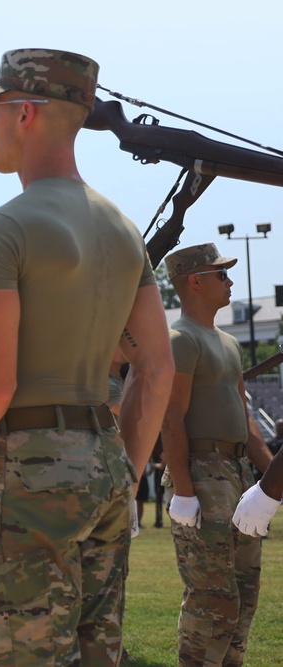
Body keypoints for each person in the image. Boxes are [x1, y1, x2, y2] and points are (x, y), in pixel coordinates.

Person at [0, 49, 174, 666]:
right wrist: (126, 471)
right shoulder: (123, 229)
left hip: (27, 473)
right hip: (104, 458)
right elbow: (157, 368)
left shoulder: (1, 228)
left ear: (26, 112)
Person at [161, 243, 273, 664]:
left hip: (236, 471)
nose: (228, 282)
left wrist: (271, 480)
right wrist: (185, 491)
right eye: (220, 274)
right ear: (195, 281)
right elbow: (171, 418)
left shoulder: (227, 343)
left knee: (244, 593)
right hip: (202, 473)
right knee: (213, 597)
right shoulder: (181, 340)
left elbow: (247, 424)